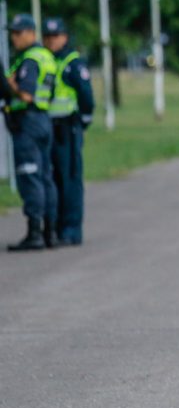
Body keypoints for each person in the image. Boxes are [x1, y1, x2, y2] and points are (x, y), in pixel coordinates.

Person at [1, 14, 58, 251]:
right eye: (12, 33)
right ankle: (49, 232)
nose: (13, 38)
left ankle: (35, 233)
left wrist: (8, 84)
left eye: (17, 33)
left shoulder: (31, 60)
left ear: (30, 33)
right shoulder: (46, 56)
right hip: (43, 120)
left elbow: (26, 94)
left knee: (30, 175)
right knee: (45, 177)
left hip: (28, 122)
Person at [42, 18, 95, 246]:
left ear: (64, 37)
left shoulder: (73, 63)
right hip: (48, 128)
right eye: (47, 37)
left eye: (55, 36)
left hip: (68, 128)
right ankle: (53, 227)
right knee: (52, 178)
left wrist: (82, 121)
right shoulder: (46, 61)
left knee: (69, 178)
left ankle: (71, 230)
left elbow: (86, 96)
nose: (51, 41)